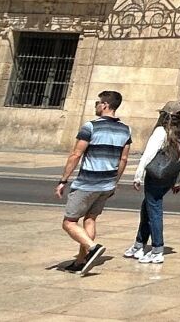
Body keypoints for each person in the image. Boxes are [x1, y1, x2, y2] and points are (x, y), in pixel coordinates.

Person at [55, 90, 132, 276]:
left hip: (87, 182)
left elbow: (76, 154)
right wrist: (115, 182)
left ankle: (92, 247)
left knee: (69, 222)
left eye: (98, 103)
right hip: (107, 183)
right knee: (90, 219)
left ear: (105, 105)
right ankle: (81, 261)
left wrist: (63, 180)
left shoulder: (90, 126)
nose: (96, 106)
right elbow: (123, 159)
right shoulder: (125, 130)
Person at [127, 101, 180, 264]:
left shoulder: (161, 131)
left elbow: (148, 154)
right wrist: (178, 180)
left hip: (155, 175)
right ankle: (139, 245)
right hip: (169, 176)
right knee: (147, 208)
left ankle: (157, 249)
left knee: (154, 210)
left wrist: (138, 175)